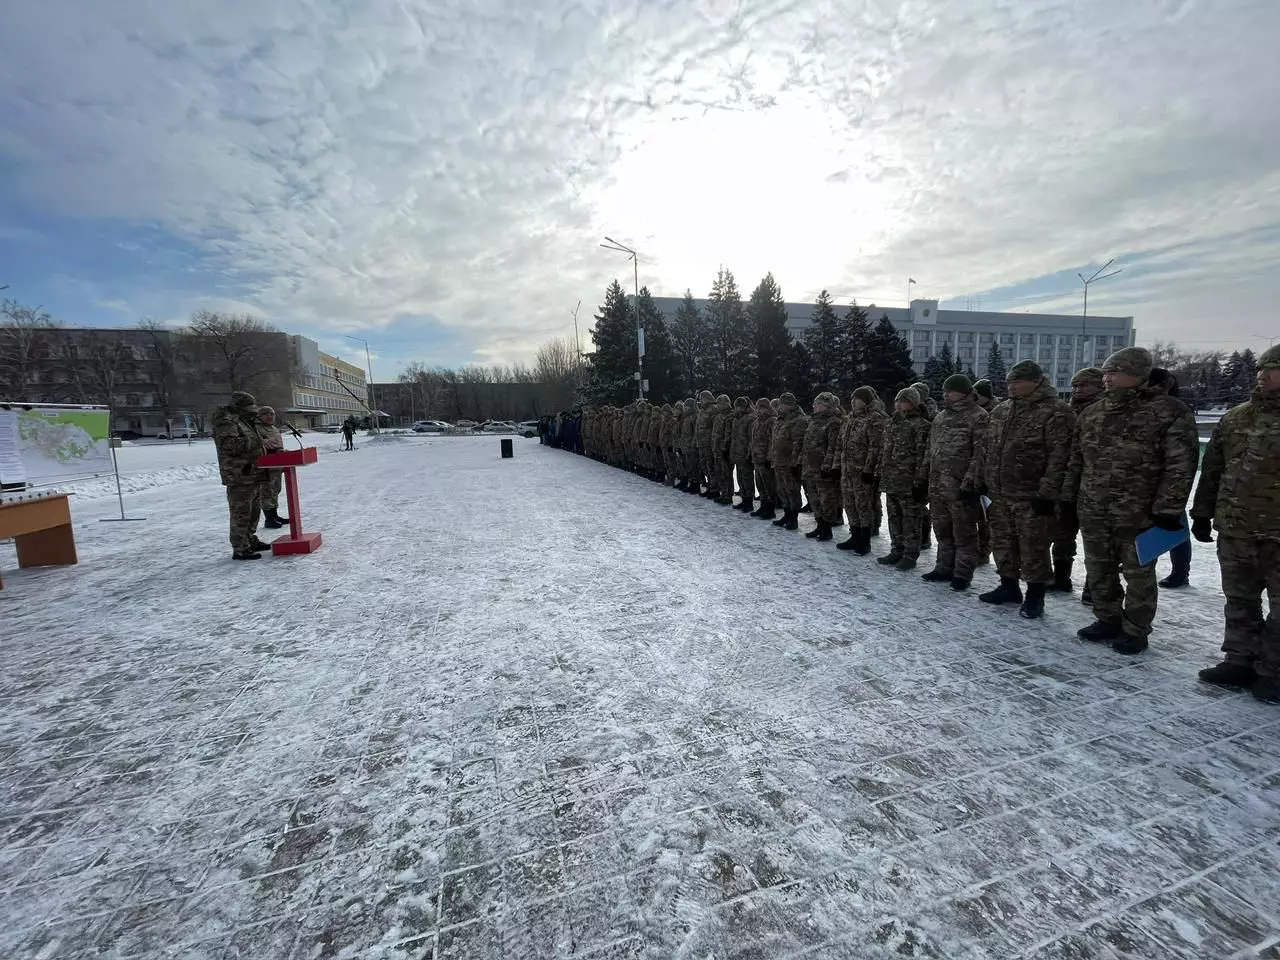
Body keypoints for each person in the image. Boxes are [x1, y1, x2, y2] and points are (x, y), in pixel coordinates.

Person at [1064, 347, 1199, 654]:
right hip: (1094, 508)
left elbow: (1180, 465)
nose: (1107, 379)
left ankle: (1136, 628)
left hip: (1141, 512)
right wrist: (1068, 499)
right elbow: (1077, 461)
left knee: (1138, 573)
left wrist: (1169, 509)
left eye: (1115, 372)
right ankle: (1107, 617)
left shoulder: (1168, 411)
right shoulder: (1094, 412)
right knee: (1099, 567)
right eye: (1106, 373)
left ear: (1137, 374)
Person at [1190, 344, 1280, 702]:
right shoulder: (1237, 417)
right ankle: (1239, 659)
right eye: (1262, 368)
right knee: (1240, 599)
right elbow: (1212, 468)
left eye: (1273, 369)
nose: (1264, 374)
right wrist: (1201, 511)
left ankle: (1273, 670)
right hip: (1237, 527)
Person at [978, 361, 1074, 618]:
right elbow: (988, 449)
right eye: (1010, 382)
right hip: (1000, 492)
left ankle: (1035, 596)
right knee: (1002, 542)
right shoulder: (1002, 411)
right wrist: (984, 481)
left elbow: (1060, 457)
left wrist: (1047, 493)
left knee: (1033, 547)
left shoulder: (1056, 412)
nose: (1012, 386)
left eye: (1018, 382)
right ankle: (1008, 587)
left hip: (1032, 495)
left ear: (1036, 381)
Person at [922, 374, 989, 591]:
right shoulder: (940, 418)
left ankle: (962, 573)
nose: (946, 394)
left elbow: (981, 454)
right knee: (942, 530)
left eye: (950, 390)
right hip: (938, 486)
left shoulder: (978, 417)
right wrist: (923, 478)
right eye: (944, 390)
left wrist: (971, 483)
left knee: (964, 532)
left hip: (961, 487)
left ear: (964, 392)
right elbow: (930, 451)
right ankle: (943, 567)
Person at [1052, 367, 1105, 600]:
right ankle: (1061, 578)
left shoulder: (1106, 412)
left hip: (1096, 486)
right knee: (1062, 536)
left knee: (1097, 543)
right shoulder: (1066, 411)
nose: (1077, 390)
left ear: (1099, 385)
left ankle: (1094, 588)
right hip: (1065, 484)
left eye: (1084, 385)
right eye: (1075, 385)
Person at [212, 391, 272, 560]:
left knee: (254, 511)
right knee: (241, 512)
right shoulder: (226, 422)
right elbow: (230, 446)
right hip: (239, 475)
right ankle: (240, 547)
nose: (253, 410)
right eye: (249, 407)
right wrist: (257, 442)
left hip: (253, 472)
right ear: (239, 407)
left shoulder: (245, 421)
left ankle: (250, 539)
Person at [878, 387, 931, 569]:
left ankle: (910, 554)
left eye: (904, 400)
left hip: (909, 482)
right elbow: (885, 452)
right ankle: (896, 550)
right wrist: (881, 473)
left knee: (911, 520)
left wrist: (920, 481)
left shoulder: (921, 425)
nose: (899, 404)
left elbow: (923, 456)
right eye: (897, 400)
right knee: (894, 518)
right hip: (892, 480)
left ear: (914, 403)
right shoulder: (892, 424)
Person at [1149, 368, 1192, 589]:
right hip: (1141, 485)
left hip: (1167, 484)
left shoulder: (1175, 411)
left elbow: (1181, 460)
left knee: (1175, 527)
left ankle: (1180, 571)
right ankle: (1144, 561)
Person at [835, 386, 888, 554]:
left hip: (862, 471)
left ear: (866, 400)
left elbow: (876, 446)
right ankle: (855, 534)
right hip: (847, 470)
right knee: (850, 504)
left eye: (857, 399)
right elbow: (841, 445)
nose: (853, 401)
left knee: (863, 505)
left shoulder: (875, 419)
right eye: (852, 398)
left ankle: (865, 540)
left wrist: (870, 469)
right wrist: (837, 465)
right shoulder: (850, 418)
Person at [801, 392, 845, 541]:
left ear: (828, 406)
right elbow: (806, 445)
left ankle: (827, 529)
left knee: (826, 500)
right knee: (814, 499)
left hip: (823, 469)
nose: (814, 406)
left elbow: (834, 447)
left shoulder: (834, 423)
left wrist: (828, 467)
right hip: (810, 468)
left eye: (818, 404)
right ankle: (820, 525)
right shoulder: (813, 421)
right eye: (814, 403)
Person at [769, 392, 808, 530]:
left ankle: (793, 518)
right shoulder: (781, 419)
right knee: (782, 489)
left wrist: (795, 462)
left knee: (792, 490)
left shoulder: (799, 420)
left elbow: (798, 443)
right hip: (779, 461)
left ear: (789, 405)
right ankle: (787, 514)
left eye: (781, 404)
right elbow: (774, 441)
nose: (779, 407)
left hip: (790, 462)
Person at [256, 405, 290, 530]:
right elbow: (259, 447)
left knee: (276, 490)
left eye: (272, 414)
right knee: (267, 492)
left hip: (277, 465)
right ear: (260, 416)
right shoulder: (256, 429)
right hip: (266, 466)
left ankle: (275, 515)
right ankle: (269, 519)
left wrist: (280, 451)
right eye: (266, 414)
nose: (270, 416)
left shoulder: (274, 429)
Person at [750, 397, 778, 520]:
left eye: (762, 408)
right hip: (757, 458)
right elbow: (753, 440)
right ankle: (763, 505)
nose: (759, 410)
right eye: (758, 408)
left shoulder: (771, 421)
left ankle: (770, 509)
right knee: (760, 484)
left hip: (765, 459)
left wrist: (769, 457)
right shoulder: (757, 421)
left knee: (769, 486)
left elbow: (773, 441)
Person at [730, 397, 756, 511]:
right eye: (736, 406)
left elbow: (752, 438)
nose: (737, 408)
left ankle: (749, 501)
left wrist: (750, 452)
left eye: (739, 406)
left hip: (745, 453)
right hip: (738, 452)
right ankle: (744, 499)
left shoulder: (750, 418)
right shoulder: (737, 419)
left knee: (747, 477)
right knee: (740, 477)